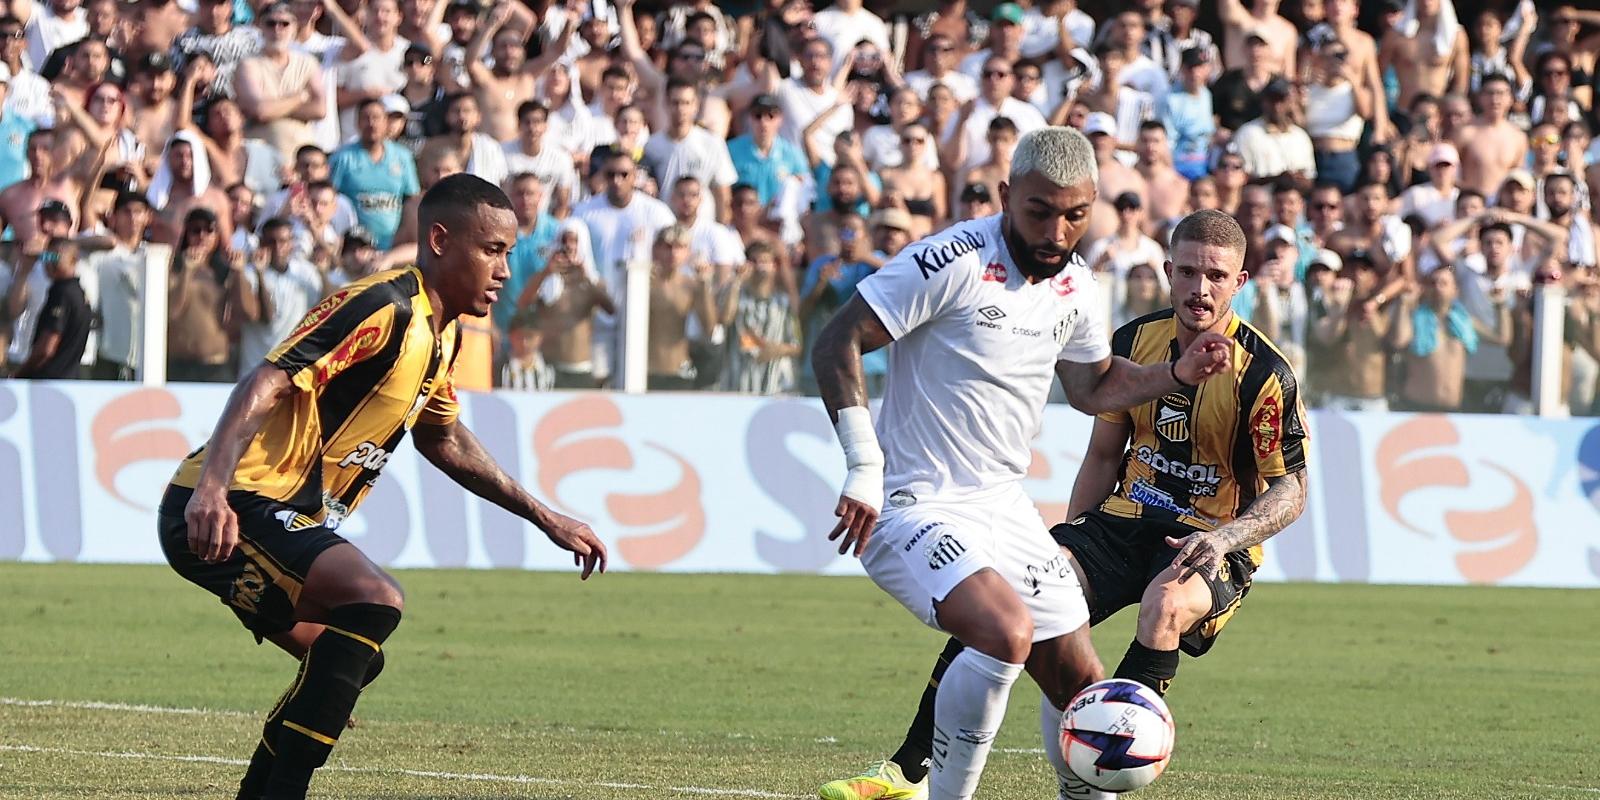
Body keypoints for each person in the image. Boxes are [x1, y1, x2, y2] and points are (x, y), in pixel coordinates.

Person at [819, 210, 1308, 800]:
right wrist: (1074, 533)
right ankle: (907, 773)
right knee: (1002, 598)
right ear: (1167, 272)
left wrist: (1225, 539)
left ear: (1240, 282)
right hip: (1123, 519)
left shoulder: (1265, 374)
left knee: (1165, 606)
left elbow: (1292, 489)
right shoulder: (1135, 343)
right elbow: (1103, 454)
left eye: (1216, 276)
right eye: (1187, 272)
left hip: (1208, 538)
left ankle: (1104, 765)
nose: (1199, 289)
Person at [156, 174, 606, 800]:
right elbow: (267, 379)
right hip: (231, 504)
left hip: (273, 518)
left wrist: (545, 516)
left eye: (507, 252)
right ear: (440, 241)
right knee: (375, 598)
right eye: (492, 250)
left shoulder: (443, 334)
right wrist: (211, 489)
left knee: (353, 660)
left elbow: (444, 440)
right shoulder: (383, 306)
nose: (504, 269)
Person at [12, 237, 89, 379]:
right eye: (46, 256)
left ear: (73, 260)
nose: (48, 263)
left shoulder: (62, 293)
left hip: (50, 380)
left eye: (55, 258)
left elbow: (46, 348)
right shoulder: (78, 292)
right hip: (69, 379)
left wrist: (20, 374)